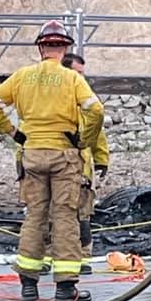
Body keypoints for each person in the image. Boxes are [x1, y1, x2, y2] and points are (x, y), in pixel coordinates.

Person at [0, 20, 104, 301]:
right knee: (64, 218)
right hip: (64, 156)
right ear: (64, 49)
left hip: (32, 154)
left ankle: (28, 285)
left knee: (34, 216)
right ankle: (65, 289)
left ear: (40, 48)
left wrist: (14, 133)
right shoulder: (72, 79)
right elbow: (95, 110)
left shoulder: (23, 76)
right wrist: (83, 140)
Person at [63, 52, 109, 275]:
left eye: (83, 74)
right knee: (54, 214)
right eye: (77, 73)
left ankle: (83, 258)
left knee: (83, 215)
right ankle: (48, 258)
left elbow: (97, 130)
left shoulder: (87, 100)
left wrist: (101, 160)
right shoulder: (52, 99)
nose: (81, 78)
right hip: (58, 165)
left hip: (82, 169)